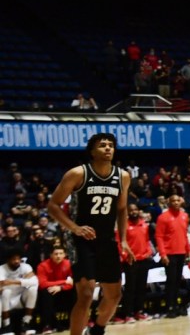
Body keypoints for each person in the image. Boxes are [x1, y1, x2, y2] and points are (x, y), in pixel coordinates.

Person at [47, 133, 133, 335]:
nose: (108, 148)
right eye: (102, 145)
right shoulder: (78, 173)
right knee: (86, 293)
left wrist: (124, 241)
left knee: (114, 295)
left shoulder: (123, 176)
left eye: (111, 145)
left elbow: (121, 210)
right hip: (80, 240)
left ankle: (98, 330)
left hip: (107, 239)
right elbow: (53, 206)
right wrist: (74, 228)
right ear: (92, 151)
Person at [115, 203, 153, 323]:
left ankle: (139, 311)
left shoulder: (144, 225)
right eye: (131, 210)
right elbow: (119, 243)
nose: (134, 212)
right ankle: (128, 314)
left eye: (136, 209)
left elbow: (147, 241)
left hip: (143, 260)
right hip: (130, 261)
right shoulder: (123, 226)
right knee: (130, 288)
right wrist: (125, 256)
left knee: (141, 288)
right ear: (127, 212)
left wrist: (148, 252)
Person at [155, 195, 190, 319]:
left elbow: (185, 234)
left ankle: (176, 305)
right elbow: (159, 236)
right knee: (171, 281)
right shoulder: (163, 217)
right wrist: (163, 254)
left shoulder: (184, 216)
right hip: (169, 254)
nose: (176, 202)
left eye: (178, 200)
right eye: (173, 201)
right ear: (169, 202)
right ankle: (170, 307)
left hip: (181, 252)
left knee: (178, 281)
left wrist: (189, 250)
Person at [36, 246, 75, 334]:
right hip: (50, 291)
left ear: (65, 255)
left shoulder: (69, 264)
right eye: (56, 254)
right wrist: (64, 281)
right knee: (46, 292)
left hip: (63, 290)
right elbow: (42, 284)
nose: (58, 256)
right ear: (51, 255)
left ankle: (73, 322)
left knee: (75, 291)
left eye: (61, 254)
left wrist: (61, 287)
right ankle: (47, 325)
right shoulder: (42, 266)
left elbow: (72, 283)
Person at [0, 249, 38, 335]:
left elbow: (35, 281)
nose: (17, 261)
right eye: (14, 259)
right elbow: (2, 285)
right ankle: (7, 326)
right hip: (5, 300)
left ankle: (26, 323)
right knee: (6, 291)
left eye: (18, 259)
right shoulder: (1, 269)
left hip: (20, 298)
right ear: (8, 260)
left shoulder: (26, 267)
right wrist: (24, 281)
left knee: (33, 289)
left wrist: (13, 282)